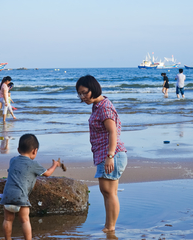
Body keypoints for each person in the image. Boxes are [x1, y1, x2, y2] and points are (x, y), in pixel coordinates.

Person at [76, 75, 127, 232]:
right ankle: (109, 226)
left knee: (109, 192)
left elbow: (113, 132)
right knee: (107, 192)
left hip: (111, 154)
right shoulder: (98, 105)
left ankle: (110, 228)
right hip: (105, 154)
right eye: (80, 94)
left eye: (85, 92)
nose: (83, 97)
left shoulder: (104, 107)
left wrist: (110, 156)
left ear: (94, 89)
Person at [0, 134, 61, 240]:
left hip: (7, 196)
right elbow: (47, 174)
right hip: (21, 197)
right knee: (25, 220)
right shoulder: (33, 164)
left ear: (18, 150)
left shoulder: (13, 160)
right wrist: (55, 165)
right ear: (34, 151)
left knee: (8, 220)